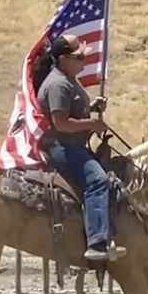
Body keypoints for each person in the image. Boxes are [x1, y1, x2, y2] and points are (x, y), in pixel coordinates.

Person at [36, 33, 127, 262]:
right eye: (78, 57)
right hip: (62, 146)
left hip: (71, 143)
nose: (83, 61)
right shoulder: (59, 84)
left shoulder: (67, 79)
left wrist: (92, 106)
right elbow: (61, 123)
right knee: (97, 180)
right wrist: (92, 124)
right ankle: (96, 242)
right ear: (63, 59)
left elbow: (71, 110)